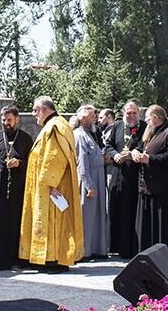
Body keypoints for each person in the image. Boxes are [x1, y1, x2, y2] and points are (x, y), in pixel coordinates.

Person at [19, 96, 84, 273]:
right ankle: (49, 258)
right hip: (48, 184)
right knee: (53, 222)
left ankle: (55, 259)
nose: (33, 114)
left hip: (53, 185)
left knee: (55, 222)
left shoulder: (55, 126)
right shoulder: (54, 124)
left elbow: (55, 156)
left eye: (35, 110)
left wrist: (51, 182)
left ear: (45, 109)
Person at [0, 105, 33, 270]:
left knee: (15, 221)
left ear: (17, 119)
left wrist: (19, 163)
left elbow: (33, 165)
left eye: (9, 120)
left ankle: (15, 259)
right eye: (4, 120)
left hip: (18, 187)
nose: (6, 123)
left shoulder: (26, 139)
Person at [104, 100, 147, 258]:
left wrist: (133, 153)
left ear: (138, 113)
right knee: (117, 208)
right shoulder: (116, 126)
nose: (131, 116)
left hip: (135, 174)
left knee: (131, 211)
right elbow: (108, 144)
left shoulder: (144, 127)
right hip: (118, 173)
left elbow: (145, 145)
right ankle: (115, 246)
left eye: (134, 113)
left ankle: (130, 247)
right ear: (123, 113)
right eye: (128, 113)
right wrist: (115, 155)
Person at [135, 104, 168, 252]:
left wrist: (150, 159)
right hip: (147, 185)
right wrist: (135, 152)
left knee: (161, 224)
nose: (146, 121)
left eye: (147, 118)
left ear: (155, 117)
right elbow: (140, 147)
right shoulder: (150, 131)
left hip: (160, 186)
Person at [73, 104, 109, 260]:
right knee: (87, 215)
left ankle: (97, 248)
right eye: (91, 116)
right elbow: (81, 161)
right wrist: (88, 184)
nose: (94, 118)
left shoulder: (92, 134)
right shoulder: (79, 135)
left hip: (99, 176)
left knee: (99, 214)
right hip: (89, 178)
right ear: (82, 117)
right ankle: (85, 251)